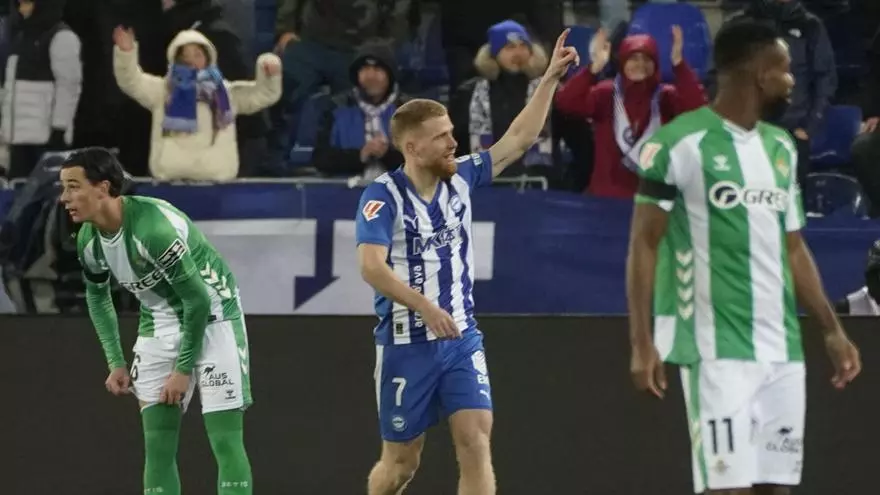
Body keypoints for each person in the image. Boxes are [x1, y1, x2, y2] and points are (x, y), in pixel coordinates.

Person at [626, 20, 861, 495]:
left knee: (776, 486)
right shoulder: (678, 144)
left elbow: (793, 247)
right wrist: (641, 340)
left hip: (781, 348)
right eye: (785, 70)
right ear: (758, 73)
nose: (792, 81)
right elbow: (643, 244)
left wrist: (831, 329)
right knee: (727, 487)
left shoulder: (780, 149)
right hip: (713, 347)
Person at [355, 30, 578, 495]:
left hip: (461, 337)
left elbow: (519, 138)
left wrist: (549, 79)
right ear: (412, 148)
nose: (453, 143)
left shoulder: (462, 177)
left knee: (475, 441)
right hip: (406, 344)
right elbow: (371, 267)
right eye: (441, 137)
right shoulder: (382, 197)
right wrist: (424, 306)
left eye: (452, 133)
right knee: (400, 465)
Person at [61, 147, 254, 494]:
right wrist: (115, 361)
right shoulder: (89, 241)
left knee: (225, 440)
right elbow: (97, 297)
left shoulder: (153, 229)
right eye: (64, 188)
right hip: (159, 322)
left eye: (73, 187)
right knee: (158, 444)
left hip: (214, 316)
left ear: (103, 187)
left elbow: (196, 300)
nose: (64, 198)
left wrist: (182, 369)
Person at [112, 25, 281, 181]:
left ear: (208, 58)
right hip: (170, 182)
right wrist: (126, 53)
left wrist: (270, 71)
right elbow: (131, 81)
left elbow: (264, 94)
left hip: (218, 183)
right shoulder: (162, 91)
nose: (191, 61)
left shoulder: (226, 93)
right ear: (175, 59)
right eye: (184, 56)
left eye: (197, 55)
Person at [554, 27, 706, 198]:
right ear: (623, 62)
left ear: (655, 64)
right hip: (605, 197)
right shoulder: (606, 94)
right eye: (633, 58)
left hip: (652, 198)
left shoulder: (666, 97)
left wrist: (679, 65)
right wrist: (592, 70)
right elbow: (565, 102)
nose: (640, 65)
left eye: (647, 59)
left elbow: (698, 110)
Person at [2, 0, 82, 179]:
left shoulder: (62, 36)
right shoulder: (19, 37)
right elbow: (9, 90)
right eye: (19, 4)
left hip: (46, 140)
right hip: (17, 140)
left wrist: (59, 128)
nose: (22, 9)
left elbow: (69, 86)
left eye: (27, 4)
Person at [312, 39, 411, 180]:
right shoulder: (336, 108)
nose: (371, 76)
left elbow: (424, 160)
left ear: (390, 74)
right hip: (345, 190)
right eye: (365, 69)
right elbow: (320, 159)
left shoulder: (410, 111)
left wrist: (387, 155)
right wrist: (360, 155)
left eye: (378, 69)